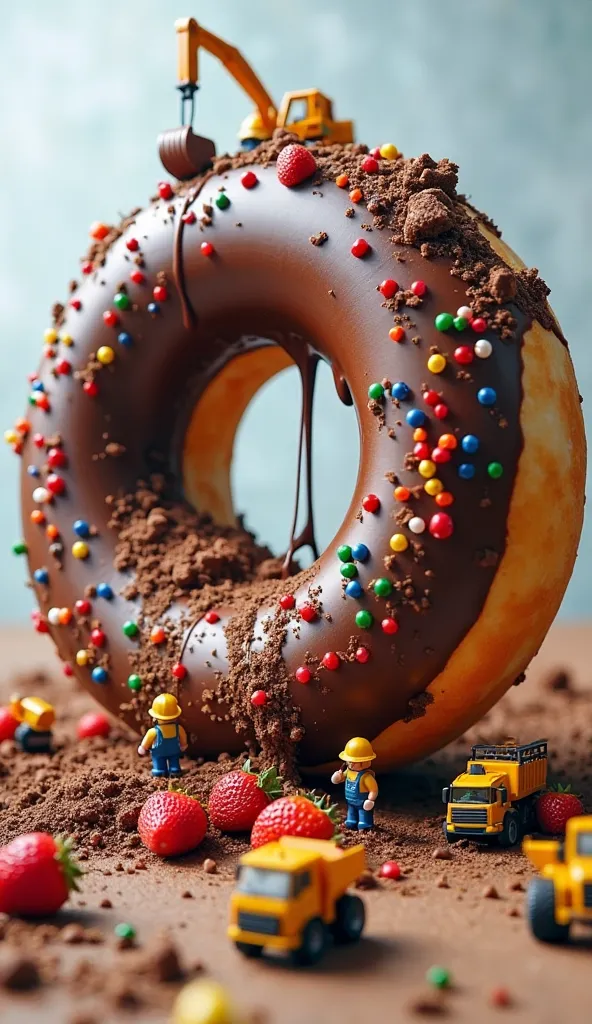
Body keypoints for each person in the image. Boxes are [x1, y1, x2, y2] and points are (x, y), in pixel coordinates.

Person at [331, 737, 378, 831]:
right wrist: (337, 777)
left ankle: (364, 825)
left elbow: (373, 790)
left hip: (362, 802)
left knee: (363, 814)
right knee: (351, 813)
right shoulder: (348, 772)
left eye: (353, 762)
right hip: (350, 801)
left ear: (365, 762)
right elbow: (341, 778)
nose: (350, 764)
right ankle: (351, 821)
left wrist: (370, 800)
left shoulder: (366, 777)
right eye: (349, 761)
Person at [138, 693, 188, 777]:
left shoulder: (153, 731)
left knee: (159, 765)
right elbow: (183, 739)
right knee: (174, 763)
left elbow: (146, 742)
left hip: (159, 754)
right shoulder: (178, 728)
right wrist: (183, 745)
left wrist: (143, 748)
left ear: (155, 716)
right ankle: (175, 771)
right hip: (174, 751)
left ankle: (159, 772)